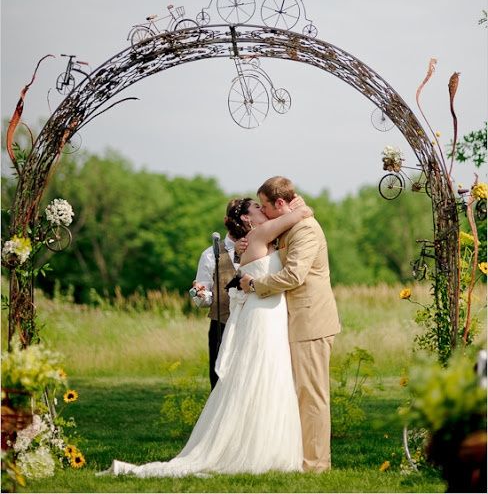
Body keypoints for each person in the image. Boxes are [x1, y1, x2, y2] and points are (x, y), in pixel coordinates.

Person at [96, 195, 313, 478]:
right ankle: (233, 440)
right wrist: (201, 294)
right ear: (247, 218)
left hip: (256, 317)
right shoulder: (213, 253)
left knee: (257, 377)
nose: (262, 210)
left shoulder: (268, 237)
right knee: (227, 383)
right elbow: (206, 293)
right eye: (257, 208)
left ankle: (253, 438)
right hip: (225, 321)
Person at [240, 176, 341, 473]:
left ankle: (316, 464)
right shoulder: (291, 224)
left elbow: (294, 276)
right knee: (299, 393)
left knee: (312, 395)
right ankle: (300, 456)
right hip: (295, 321)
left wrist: (255, 285)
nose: (262, 210)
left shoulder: (306, 230)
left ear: (280, 203)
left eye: (265, 206)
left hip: (311, 321)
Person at [191, 200, 247, 390]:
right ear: (227, 220)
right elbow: (206, 300)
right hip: (221, 327)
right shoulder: (209, 254)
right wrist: (200, 295)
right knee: (220, 382)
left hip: (251, 323)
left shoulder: (261, 248)